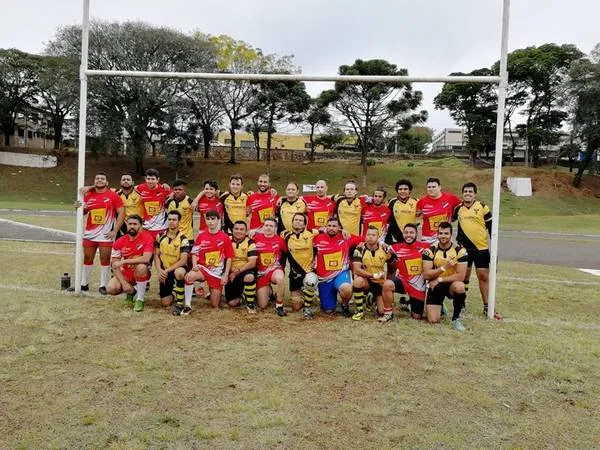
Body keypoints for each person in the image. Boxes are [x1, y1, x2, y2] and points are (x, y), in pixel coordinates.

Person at [452, 182, 501, 319]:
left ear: (475, 194)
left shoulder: (483, 207)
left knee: (483, 277)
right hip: (464, 249)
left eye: (470, 192)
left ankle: (487, 306)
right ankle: (461, 304)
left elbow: (492, 230)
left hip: (481, 248)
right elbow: (448, 221)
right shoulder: (458, 209)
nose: (468, 194)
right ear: (462, 194)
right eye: (465, 191)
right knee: (464, 277)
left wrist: (495, 251)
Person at [73, 171, 125, 295]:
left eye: (102, 178)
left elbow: (122, 213)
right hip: (90, 233)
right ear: (94, 181)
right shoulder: (88, 195)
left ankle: (103, 285)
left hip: (105, 234)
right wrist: (76, 205)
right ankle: (84, 283)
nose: (99, 180)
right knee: (87, 257)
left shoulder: (112, 196)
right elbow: (80, 211)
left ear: (106, 182)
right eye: (97, 178)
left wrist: (115, 230)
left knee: (105, 259)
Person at [183, 210, 233, 312]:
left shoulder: (225, 237)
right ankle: (187, 305)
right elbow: (194, 253)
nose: (210, 221)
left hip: (216, 273)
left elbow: (229, 257)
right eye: (208, 219)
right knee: (190, 276)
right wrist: (194, 265)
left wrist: (226, 275)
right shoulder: (202, 236)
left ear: (219, 220)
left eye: (213, 219)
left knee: (215, 305)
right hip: (203, 268)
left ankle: (211, 290)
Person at [422, 222, 468, 331]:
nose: (443, 236)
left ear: (451, 235)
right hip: (436, 286)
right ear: (437, 234)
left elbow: (461, 276)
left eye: (446, 233)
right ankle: (441, 305)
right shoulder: (430, 251)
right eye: (441, 233)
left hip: (451, 284)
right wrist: (443, 268)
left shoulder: (460, 251)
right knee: (433, 320)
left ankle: (455, 320)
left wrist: (439, 279)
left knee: (460, 286)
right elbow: (426, 274)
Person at [313, 216, 362, 316]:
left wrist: (382, 244)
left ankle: (344, 304)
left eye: (334, 226)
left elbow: (365, 240)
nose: (331, 228)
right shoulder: (317, 238)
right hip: (325, 278)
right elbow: (305, 234)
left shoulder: (346, 237)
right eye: (329, 226)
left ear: (339, 227)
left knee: (346, 288)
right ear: (326, 227)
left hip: (341, 273)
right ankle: (330, 301)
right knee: (328, 310)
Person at [106, 215, 154, 312]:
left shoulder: (147, 238)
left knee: (141, 267)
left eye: (135, 224)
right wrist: (124, 283)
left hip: (141, 272)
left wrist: (124, 261)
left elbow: (146, 258)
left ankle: (140, 299)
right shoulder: (119, 241)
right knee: (111, 289)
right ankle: (132, 292)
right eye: (130, 224)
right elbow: (115, 265)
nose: (132, 226)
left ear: (141, 226)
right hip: (126, 273)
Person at [384, 223, 430, 320]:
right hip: (403, 281)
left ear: (416, 234)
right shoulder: (396, 247)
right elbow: (383, 252)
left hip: (418, 286)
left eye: (411, 232)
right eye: (406, 232)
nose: (408, 235)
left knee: (416, 317)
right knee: (387, 284)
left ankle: (408, 303)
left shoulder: (425, 247)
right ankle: (388, 313)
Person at [351, 226, 396, 322]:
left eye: (373, 235)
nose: (370, 237)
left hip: (380, 283)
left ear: (378, 237)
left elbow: (393, 266)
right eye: (368, 234)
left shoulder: (384, 249)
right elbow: (356, 270)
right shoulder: (359, 249)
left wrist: (387, 279)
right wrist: (373, 276)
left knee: (382, 312)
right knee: (357, 281)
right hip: (367, 281)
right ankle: (359, 311)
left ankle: (371, 300)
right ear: (365, 236)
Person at [281, 213, 318, 318]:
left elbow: (327, 231)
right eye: (295, 219)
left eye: (301, 220)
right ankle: (306, 293)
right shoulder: (285, 235)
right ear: (292, 222)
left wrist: (343, 231)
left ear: (304, 224)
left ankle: (307, 306)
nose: (297, 221)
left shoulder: (312, 233)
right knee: (296, 307)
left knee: (310, 281)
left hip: (308, 271)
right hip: (295, 273)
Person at [154, 211, 191, 312]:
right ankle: (175, 292)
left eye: (174, 220)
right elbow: (156, 255)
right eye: (169, 219)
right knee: (165, 303)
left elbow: (183, 261)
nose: (171, 222)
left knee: (179, 273)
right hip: (165, 269)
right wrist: (159, 270)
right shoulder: (160, 236)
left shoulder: (183, 239)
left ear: (179, 221)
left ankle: (180, 303)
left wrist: (167, 270)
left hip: (178, 268)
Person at [253, 217, 288, 316]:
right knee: (262, 305)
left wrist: (282, 268)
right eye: (266, 225)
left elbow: (285, 254)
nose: (268, 228)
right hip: (261, 273)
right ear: (263, 227)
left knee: (280, 278)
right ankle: (269, 291)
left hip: (274, 269)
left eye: (271, 226)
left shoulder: (280, 240)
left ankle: (279, 305)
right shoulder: (256, 238)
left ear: (275, 228)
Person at [225, 220, 258, 313]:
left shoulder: (250, 242)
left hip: (244, 270)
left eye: (242, 229)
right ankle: (245, 294)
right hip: (230, 270)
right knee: (232, 303)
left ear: (246, 231)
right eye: (236, 229)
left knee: (249, 277)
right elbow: (223, 258)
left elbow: (252, 263)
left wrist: (237, 271)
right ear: (232, 230)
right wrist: (231, 270)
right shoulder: (227, 240)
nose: (239, 231)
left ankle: (250, 304)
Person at [416, 178, 461, 244]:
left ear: (439, 187)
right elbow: (415, 215)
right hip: (428, 238)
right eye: (429, 187)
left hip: (445, 236)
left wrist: (454, 218)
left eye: (434, 187)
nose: (431, 189)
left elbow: (462, 209)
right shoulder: (421, 202)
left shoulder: (451, 198)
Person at [135, 168, 171, 239]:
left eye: (153, 179)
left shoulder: (164, 189)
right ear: (145, 179)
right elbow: (135, 188)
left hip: (161, 227)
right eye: (148, 179)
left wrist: (167, 187)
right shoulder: (141, 187)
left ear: (158, 180)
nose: (150, 181)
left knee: (159, 249)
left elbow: (174, 194)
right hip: (147, 227)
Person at [386, 179, 418, 245]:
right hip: (394, 238)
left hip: (410, 237)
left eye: (405, 189)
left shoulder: (416, 202)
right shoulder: (391, 202)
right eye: (400, 189)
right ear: (397, 191)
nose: (402, 191)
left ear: (410, 191)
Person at [116, 173, 144, 238]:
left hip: (140, 226)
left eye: (128, 179)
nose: (126, 181)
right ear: (120, 182)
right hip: (124, 226)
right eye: (124, 180)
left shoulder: (140, 193)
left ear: (133, 182)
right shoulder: (117, 195)